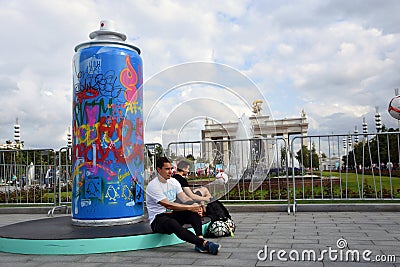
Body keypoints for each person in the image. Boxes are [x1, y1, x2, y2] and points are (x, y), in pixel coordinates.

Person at [146, 157, 221, 255]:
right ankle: (205, 244)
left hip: (172, 214)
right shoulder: (153, 186)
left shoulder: (173, 182)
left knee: (193, 213)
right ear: (159, 170)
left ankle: (199, 241)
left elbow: (184, 198)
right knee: (172, 223)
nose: (170, 171)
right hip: (158, 219)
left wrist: (196, 204)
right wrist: (189, 207)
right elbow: (169, 205)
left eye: (171, 168)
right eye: (167, 169)